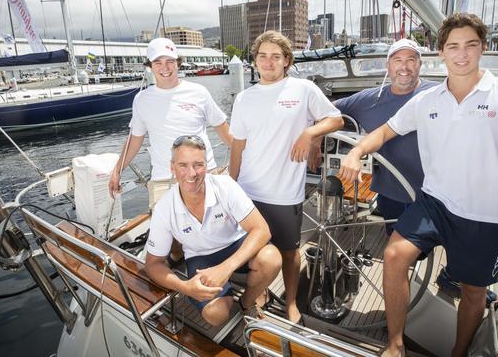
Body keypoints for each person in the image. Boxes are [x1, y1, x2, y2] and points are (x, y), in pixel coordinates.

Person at [338, 13, 498, 357]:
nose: (462, 54)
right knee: (395, 257)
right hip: (434, 201)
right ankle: (395, 344)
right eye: (453, 46)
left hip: (485, 214)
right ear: (441, 52)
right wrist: (356, 152)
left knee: (473, 292)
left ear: (482, 48)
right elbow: (385, 131)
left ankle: (458, 351)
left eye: (470, 45)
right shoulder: (426, 100)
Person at [229, 30, 344, 323]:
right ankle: (258, 292)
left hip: (284, 192)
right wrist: (230, 185)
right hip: (248, 191)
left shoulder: (303, 90)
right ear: (254, 61)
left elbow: (335, 119)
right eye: (262, 56)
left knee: (290, 253)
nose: (268, 62)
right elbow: (238, 147)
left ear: (286, 61)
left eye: (275, 57)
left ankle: (291, 302)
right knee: (252, 251)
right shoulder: (244, 98)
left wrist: (311, 133)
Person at [144, 135, 281, 326]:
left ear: (206, 165)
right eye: (183, 165)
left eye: (198, 164)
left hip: (235, 245)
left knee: (271, 259)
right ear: (172, 167)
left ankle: (247, 303)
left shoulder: (225, 186)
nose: (191, 173)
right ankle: (225, 291)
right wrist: (185, 287)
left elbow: (262, 229)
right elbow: (153, 264)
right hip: (202, 258)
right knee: (215, 315)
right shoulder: (164, 208)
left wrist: (225, 268)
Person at [108, 38, 232, 210]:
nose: (164, 68)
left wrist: (245, 158)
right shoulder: (142, 99)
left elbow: (221, 127)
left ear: (178, 64)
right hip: (163, 179)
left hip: (202, 174)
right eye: (157, 62)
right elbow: (134, 140)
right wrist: (117, 170)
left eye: (170, 62)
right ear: (150, 66)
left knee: (212, 228)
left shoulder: (198, 92)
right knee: (167, 234)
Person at [331, 39, 438, 235]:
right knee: (398, 245)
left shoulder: (438, 94)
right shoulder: (368, 100)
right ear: (388, 66)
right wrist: (313, 138)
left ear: (420, 64)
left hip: (434, 194)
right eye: (397, 60)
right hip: (391, 193)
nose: (404, 67)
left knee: (414, 249)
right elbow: (327, 111)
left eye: (411, 60)